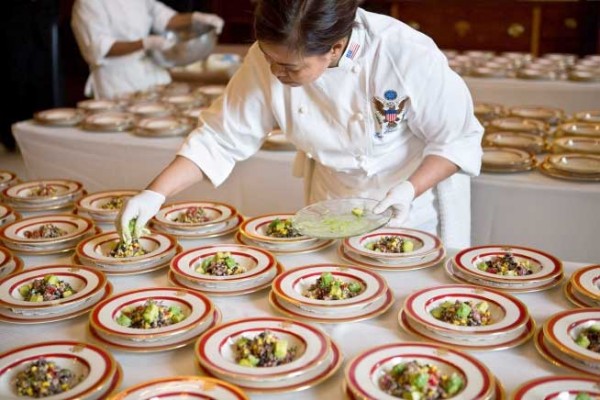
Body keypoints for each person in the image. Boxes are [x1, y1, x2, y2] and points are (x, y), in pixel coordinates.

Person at [118, 0, 483, 249]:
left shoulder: (404, 53)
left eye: (290, 67)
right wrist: (155, 193)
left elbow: (455, 140)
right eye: (268, 58)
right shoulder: (269, 59)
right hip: (330, 202)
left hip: (409, 208)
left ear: (336, 47)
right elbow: (219, 137)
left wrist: (408, 190)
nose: (276, 73)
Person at [71, 0, 224, 99]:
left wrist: (196, 18)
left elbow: (164, 17)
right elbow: (97, 48)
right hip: (116, 81)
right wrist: (144, 43)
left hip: (150, 75)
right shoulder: (87, 4)